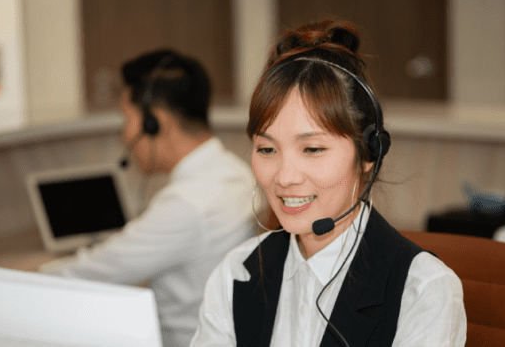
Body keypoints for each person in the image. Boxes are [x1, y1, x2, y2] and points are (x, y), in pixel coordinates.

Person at [190, 20, 467, 346]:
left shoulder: (422, 290)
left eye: (312, 149)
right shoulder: (237, 273)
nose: (284, 177)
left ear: (369, 153)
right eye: (267, 149)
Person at [39, 49, 256, 346]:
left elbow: (89, 272)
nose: (125, 134)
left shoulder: (187, 204)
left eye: (127, 118)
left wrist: (31, 269)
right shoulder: (236, 172)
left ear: (155, 123)